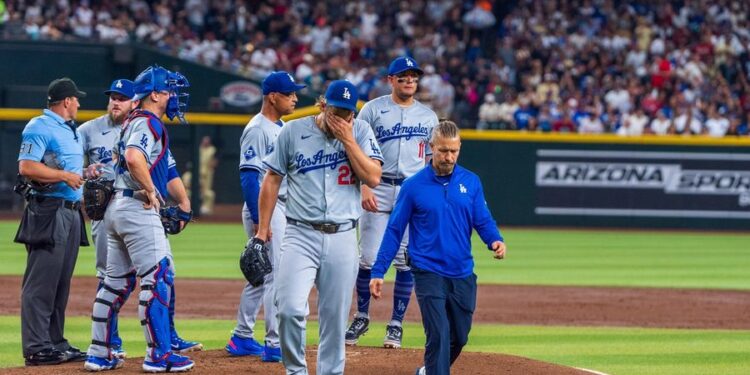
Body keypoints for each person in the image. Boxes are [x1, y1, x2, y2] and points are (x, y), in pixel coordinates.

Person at [255, 80, 383, 375]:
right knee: (288, 309)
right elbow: (272, 179)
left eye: (348, 113)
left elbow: (374, 177)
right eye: (337, 112)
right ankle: (296, 371)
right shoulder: (292, 131)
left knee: (335, 319)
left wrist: (349, 140)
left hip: (343, 236)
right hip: (300, 234)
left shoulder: (360, 131)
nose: (342, 119)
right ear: (323, 105)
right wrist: (262, 230)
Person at [83, 65, 197, 372]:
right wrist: (151, 190)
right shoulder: (149, 123)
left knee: (115, 283)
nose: (174, 96)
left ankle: (99, 351)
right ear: (156, 94)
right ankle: (159, 355)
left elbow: (128, 159)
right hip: (136, 208)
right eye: (170, 90)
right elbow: (134, 158)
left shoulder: (130, 121)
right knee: (158, 276)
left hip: (115, 210)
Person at [370, 120, 506, 375]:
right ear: (431, 147)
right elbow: (394, 230)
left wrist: (494, 239)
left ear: (460, 148)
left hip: (462, 271)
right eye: (443, 150)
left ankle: (427, 371)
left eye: (454, 151)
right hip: (426, 270)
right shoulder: (413, 186)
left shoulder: (471, 182)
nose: (448, 156)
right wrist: (378, 271)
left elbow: (482, 219)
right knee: (438, 334)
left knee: (460, 336)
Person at [346, 56, 438, 350]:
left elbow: (430, 162)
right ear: (391, 80)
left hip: (412, 190)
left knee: (404, 260)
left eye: (413, 76)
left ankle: (396, 324)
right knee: (368, 258)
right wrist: (362, 187)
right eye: (403, 76)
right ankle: (361, 316)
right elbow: (356, 151)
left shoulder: (428, 117)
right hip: (378, 185)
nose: (409, 80)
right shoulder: (372, 109)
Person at [225, 71, 305, 362]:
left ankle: (242, 336)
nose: (295, 98)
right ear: (273, 96)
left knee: (261, 275)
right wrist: (262, 221)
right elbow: (248, 176)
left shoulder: (281, 126)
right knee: (276, 277)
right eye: (290, 93)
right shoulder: (258, 128)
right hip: (268, 209)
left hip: (276, 208)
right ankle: (274, 344)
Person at [15, 77, 92, 366]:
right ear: (67, 101)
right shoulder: (39, 126)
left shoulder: (69, 129)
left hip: (71, 212)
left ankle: (55, 343)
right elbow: (27, 167)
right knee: (41, 284)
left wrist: (86, 172)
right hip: (48, 210)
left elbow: (66, 169)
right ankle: (36, 347)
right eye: (76, 99)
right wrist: (63, 176)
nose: (79, 103)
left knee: (60, 283)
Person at [78, 78, 139, 359]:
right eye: (112, 96)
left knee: (148, 274)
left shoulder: (142, 129)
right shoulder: (87, 130)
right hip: (104, 211)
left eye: (122, 97)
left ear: (133, 102)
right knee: (108, 275)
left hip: (136, 209)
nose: (115, 101)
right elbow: (71, 170)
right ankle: (109, 339)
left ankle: (168, 338)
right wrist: (83, 181)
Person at [198, 135, 216, 214]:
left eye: (207, 140)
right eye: (204, 140)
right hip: (198, 172)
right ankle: (196, 207)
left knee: (208, 192)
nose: (205, 142)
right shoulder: (199, 149)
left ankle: (206, 207)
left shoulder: (212, 150)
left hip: (208, 173)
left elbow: (214, 161)